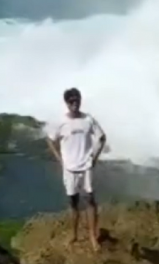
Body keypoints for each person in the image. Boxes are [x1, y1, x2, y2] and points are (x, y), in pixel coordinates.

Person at [46, 87, 107, 252]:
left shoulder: (88, 119)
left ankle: (93, 237)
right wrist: (59, 159)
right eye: (71, 101)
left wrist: (94, 158)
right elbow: (50, 139)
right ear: (66, 103)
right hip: (70, 169)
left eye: (77, 100)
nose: (74, 103)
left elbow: (102, 137)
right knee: (73, 202)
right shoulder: (61, 122)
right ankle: (74, 235)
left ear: (80, 100)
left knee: (90, 201)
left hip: (86, 167)